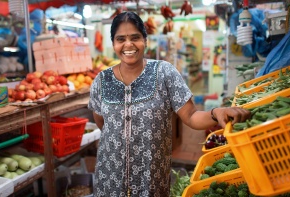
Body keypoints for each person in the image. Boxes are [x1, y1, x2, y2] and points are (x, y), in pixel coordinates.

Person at [88, 11, 251, 197]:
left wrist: (216, 113)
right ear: (114, 44)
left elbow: (190, 115)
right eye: (121, 39)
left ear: (145, 40)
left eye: (135, 37)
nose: (128, 44)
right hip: (109, 177)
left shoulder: (164, 72)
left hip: (150, 178)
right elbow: (103, 123)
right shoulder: (102, 80)